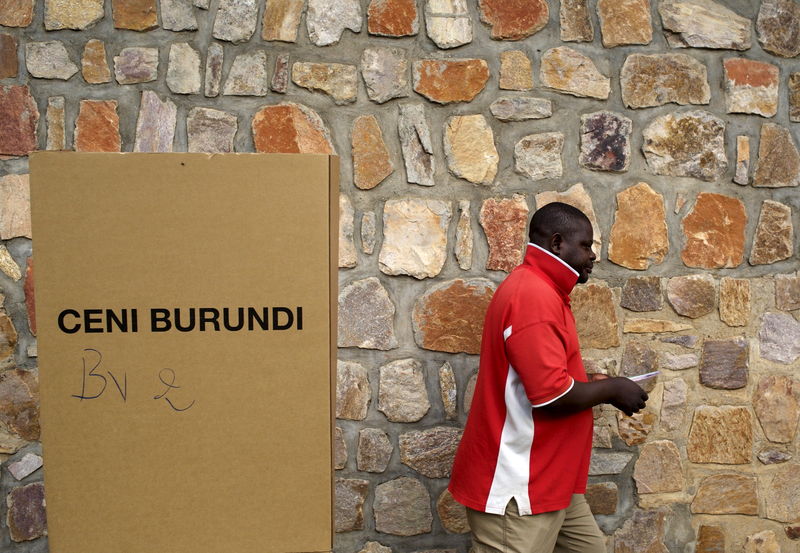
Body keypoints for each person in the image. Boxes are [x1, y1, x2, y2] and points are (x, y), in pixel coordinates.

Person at [448, 202, 648, 553]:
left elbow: (542, 376)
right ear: (557, 243)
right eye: (585, 245)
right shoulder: (534, 295)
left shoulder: (544, 290)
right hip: (520, 487)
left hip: (551, 482)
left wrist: (593, 381)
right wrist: (611, 389)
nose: (593, 255)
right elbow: (550, 396)